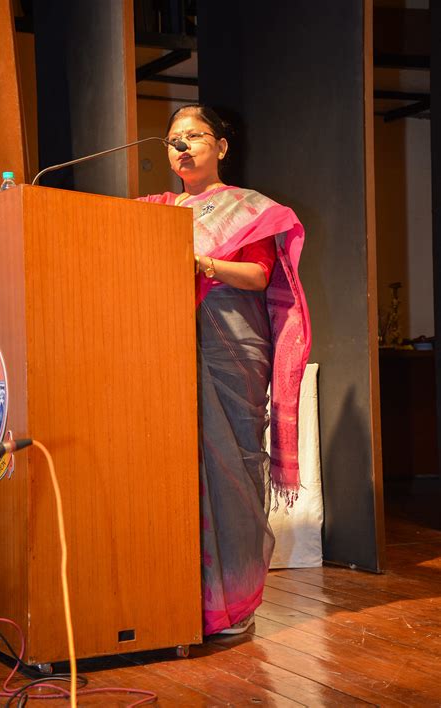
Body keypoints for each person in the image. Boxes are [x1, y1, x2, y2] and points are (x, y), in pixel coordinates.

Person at [139, 105, 311, 636]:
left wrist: (203, 264)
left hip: (230, 344)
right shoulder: (154, 211)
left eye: (194, 136)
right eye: (173, 140)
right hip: (166, 346)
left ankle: (233, 602)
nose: (182, 147)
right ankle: (178, 594)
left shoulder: (250, 209)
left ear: (222, 146)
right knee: (174, 467)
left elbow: (259, 276)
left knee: (232, 464)